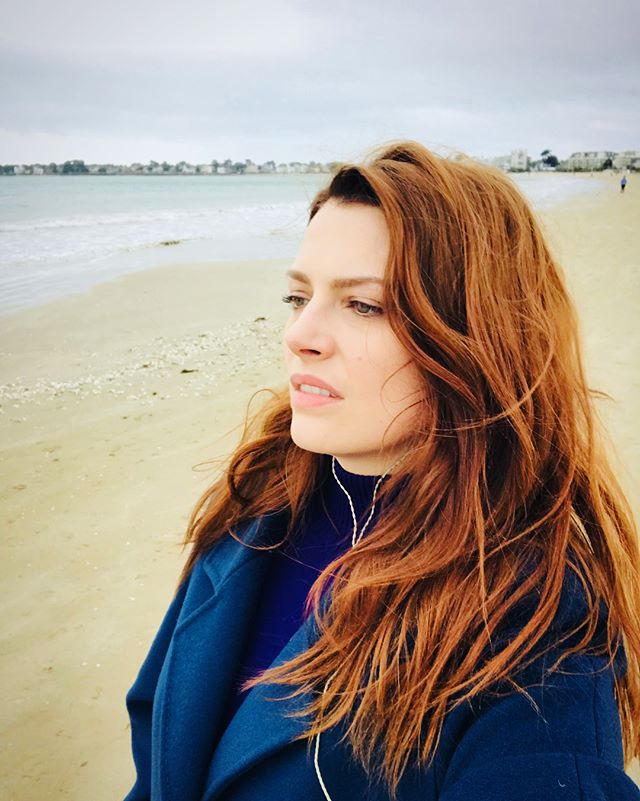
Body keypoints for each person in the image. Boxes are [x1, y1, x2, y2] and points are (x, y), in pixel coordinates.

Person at [123, 142, 640, 801]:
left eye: (364, 305)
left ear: (474, 337)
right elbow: (158, 738)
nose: (299, 335)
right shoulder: (254, 503)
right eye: (298, 296)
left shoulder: (532, 626)